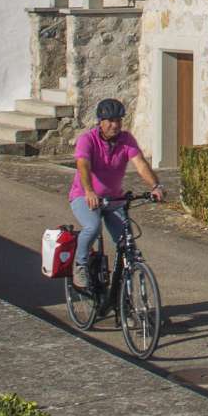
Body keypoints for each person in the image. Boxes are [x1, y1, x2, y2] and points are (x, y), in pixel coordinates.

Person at [69, 97, 164, 289]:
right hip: (85, 196)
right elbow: (83, 166)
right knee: (92, 227)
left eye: (119, 120)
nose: (115, 125)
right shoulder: (87, 140)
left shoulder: (126, 140)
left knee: (127, 243)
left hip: (114, 199)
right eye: (111, 121)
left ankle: (125, 298)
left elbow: (140, 164)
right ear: (100, 122)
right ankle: (80, 264)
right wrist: (89, 191)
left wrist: (155, 185)